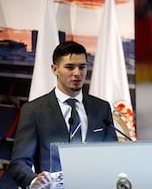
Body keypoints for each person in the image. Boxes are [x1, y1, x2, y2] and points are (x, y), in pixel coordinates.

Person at [9, 41, 118, 189]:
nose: (77, 73)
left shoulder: (101, 108)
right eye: (69, 67)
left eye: (82, 67)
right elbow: (19, 163)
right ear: (55, 69)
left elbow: (112, 155)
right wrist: (34, 180)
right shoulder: (34, 110)